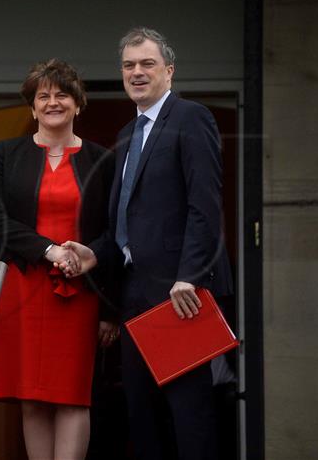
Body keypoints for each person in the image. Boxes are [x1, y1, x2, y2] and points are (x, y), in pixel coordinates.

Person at [59, 27, 234, 460]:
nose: (137, 73)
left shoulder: (191, 118)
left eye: (147, 64)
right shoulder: (127, 134)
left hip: (181, 295)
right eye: (129, 65)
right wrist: (95, 253)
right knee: (142, 416)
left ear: (169, 71)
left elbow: (204, 207)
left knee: (189, 418)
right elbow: (125, 220)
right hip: (135, 293)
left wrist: (189, 277)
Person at [0, 59, 119, 460]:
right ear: (32, 106)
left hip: (81, 292)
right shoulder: (6, 154)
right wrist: (49, 249)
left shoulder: (103, 160)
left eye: (62, 94)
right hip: (21, 286)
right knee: (32, 397)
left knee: (72, 395)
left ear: (78, 104)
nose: (52, 102)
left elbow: (116, 233)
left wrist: (111, 306)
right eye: (43, 96)